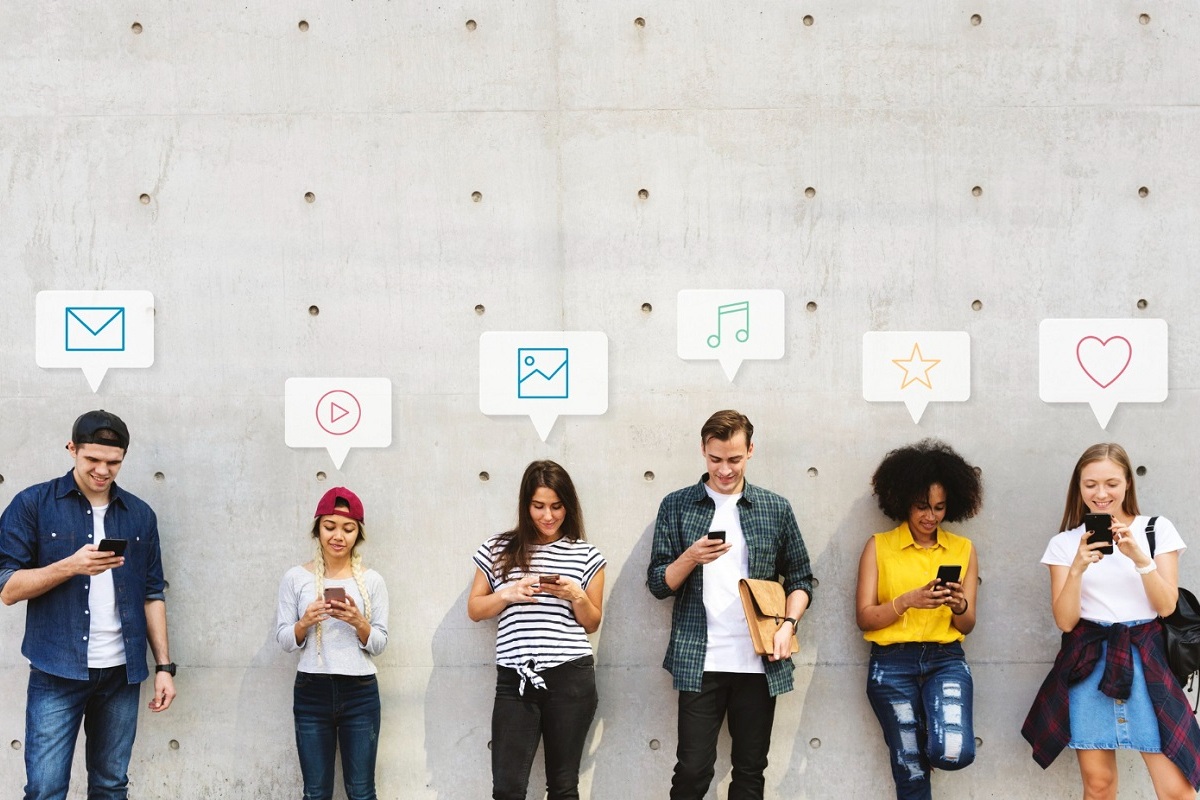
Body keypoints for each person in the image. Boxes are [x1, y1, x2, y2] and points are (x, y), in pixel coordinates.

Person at [0, 410, 176, 800]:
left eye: (113, 462)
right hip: (56, 670)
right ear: (72, 449)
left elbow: (152, 593)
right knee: (45, 789)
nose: (102, 470)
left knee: (111, 786)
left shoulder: (140, 515)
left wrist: (164, 666)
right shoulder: (33, 504)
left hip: (120, 674)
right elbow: (8, 588)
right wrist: (70, 566)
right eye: (92, 459)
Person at [647, 409, 814, 800]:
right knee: (692, 771)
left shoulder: (775, 508)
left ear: (750, 451)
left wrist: (788, 626)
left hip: (759, 660)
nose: (724, 469)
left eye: (734, 459)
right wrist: (691, 557)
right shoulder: (677, 506)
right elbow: (658, 584)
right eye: (715, 459)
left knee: (750, 773)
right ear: (703, 451)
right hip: (700, 660)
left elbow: (802, 579)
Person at [1023, 443, 1200, 798]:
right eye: (1090, 485)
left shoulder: (1155, 530)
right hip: (1088, 661)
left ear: (1127, 484)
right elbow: (1066, 621)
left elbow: (1166, 607)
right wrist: (1077, 567)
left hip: (1147, 658)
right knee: (1099, 786)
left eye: (1111, 483)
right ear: (1079, 486)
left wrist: (1140, 558)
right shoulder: (1063, 543)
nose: (1101, 494)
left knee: (1177, 791)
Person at [467, 460, 606, 800]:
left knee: (562, 786)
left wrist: (575, 594)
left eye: (556, 507)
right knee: (507, 788)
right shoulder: (499, 549)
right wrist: (508, 594)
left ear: (568, 506)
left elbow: (592, 622)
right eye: (539, 506)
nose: (548, 516)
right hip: (515, 678)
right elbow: (474, 609)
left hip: (570, 677)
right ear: (525, 505)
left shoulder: (586, 555)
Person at [855, 439, 982, 800]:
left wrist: (958, 605)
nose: (931, 516)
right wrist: (908, 600)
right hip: (891, 665)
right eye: (922, 506)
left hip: (946, 661)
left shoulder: (963, 550)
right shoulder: (879, 546)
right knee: (910, 771)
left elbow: (968, 624)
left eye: (940, 507)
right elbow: (865, 618)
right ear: (902, 501)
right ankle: (912, 734)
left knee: (953, 751)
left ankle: (924, 726)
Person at [276, 487, 389, 800]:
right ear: (317, 529)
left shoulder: (373, 581)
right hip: (312, 691)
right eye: (329, 527)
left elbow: (380, 643)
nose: (338, 536)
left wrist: (358, 621)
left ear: (358, 534)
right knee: (315, 793)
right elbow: (285, 640)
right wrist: (305, 622)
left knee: (363, 792)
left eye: (348, 528)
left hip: (361, 693)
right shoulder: (295, 578)